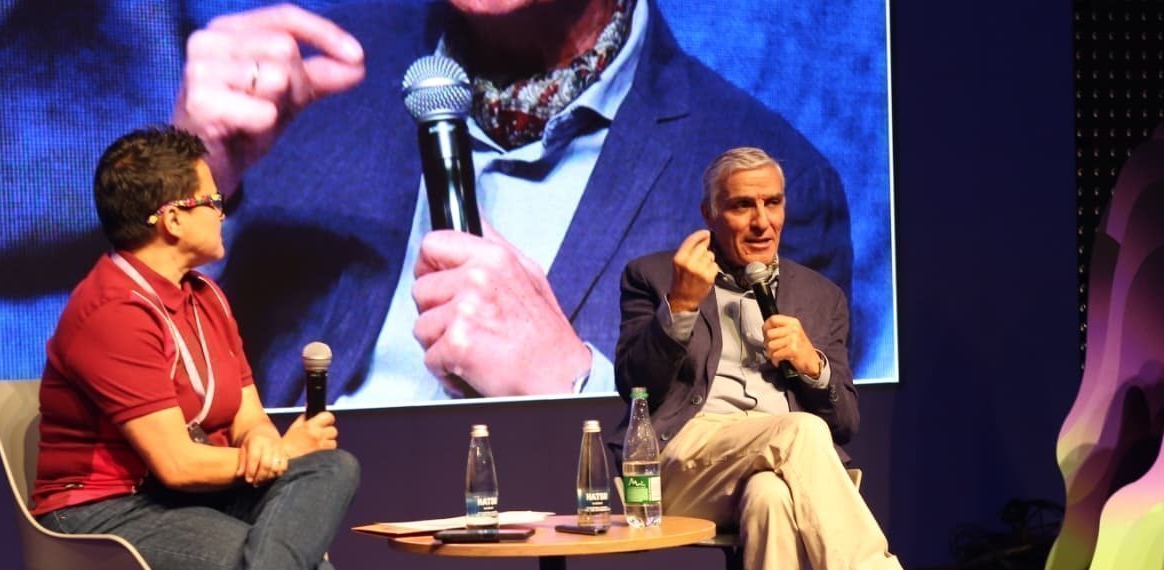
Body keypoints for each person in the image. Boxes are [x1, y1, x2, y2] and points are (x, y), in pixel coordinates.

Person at [172, 0, 854, 407]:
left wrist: (572, 382)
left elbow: (776, 471)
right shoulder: (301, 82)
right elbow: (155, 397)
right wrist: (184, 185)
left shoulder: (766, 184)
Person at [30, 126, 388, 570]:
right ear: (171, 215)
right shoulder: (111, 312)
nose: (226, 210)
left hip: (171, 496)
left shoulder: (207, 300)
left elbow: (251, 418)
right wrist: (270, 452)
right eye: (214, 199)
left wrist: (269, 444)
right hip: (100, 511)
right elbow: (177, 465)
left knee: (333, 466)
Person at [613, 146, 975, 570]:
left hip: (779, 464)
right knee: (799, 434)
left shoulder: (818, 295)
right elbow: (634, 387)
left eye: (772, 203)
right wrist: (680, 308)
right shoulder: (654, 276)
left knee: (774, 497)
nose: (761, 221)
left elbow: (847, 422)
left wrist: (811, 363)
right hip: (679, 465)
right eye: (742, 205)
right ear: (709, 214)